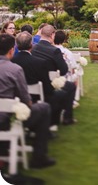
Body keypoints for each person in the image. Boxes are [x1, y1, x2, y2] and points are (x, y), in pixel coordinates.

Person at [0, 33, 56, 169]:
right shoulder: (14, 69)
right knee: (44, 108)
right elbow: (26, 100)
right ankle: (39, 157)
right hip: (4, 118)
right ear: (11, 50)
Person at [32, 25, 77, 125]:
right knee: (71, 86)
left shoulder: (34, 48)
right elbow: (64, 70)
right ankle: (67, 117)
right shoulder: (55, 51)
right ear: (52, 35)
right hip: (50, 85)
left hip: (36, 83)